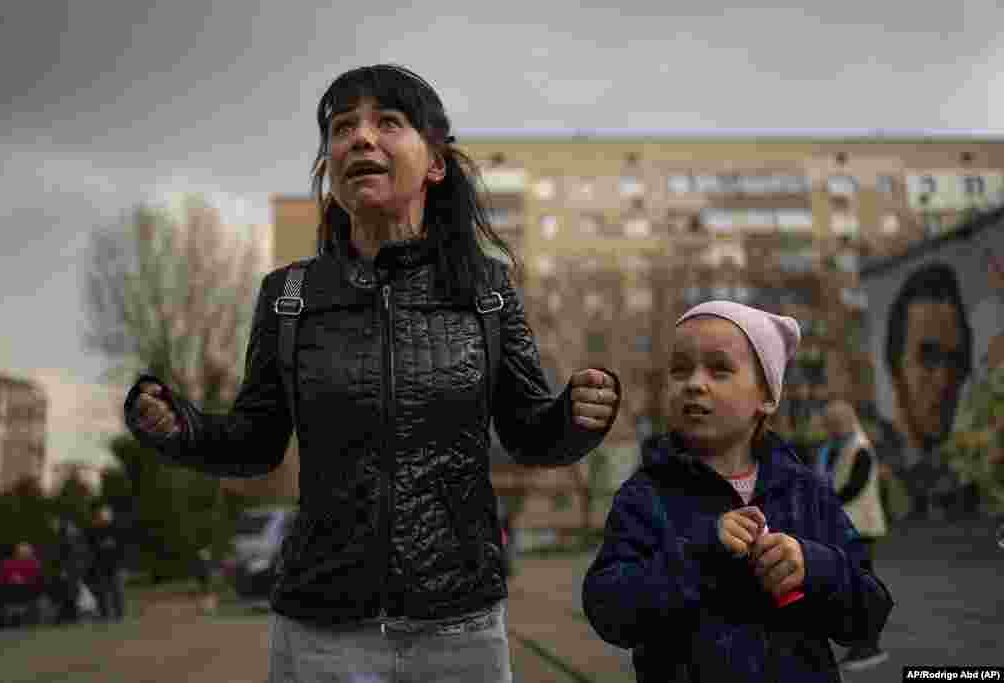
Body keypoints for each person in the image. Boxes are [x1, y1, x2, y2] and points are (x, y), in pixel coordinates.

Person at [124, 63, 622, 683]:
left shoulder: (488, 291)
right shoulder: (289, 298)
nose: (360, 138)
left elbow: (527, 434)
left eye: (388, 121)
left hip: (458, 631)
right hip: (321, 634)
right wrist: (184, 429)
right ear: (331, 169)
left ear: (436, 164)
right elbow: (256, 443)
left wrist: (572, 417)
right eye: (342, 127)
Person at [583, 301, 893, 682]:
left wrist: (813, 567)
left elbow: (869, 613)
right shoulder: (645, 495)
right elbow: (608, 611)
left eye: (719, 369)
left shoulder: (804, 490)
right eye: (680, 370)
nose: (695, 383)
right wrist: (703, 553)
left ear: (766, 396)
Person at [876, 262, 978, 519]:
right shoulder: (875, 461)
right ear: (895, 364)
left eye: (955, 359)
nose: (944, 381)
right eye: (928, 357)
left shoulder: (970, 469)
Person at [816, 399, 889, 671]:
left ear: (845, 421)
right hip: (843, 527)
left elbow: (854, 488)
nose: (830, 428)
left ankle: (870, 647)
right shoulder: (831, 449)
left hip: (861, 528)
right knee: (850, 589)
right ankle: (860, 646)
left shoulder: (860, 449)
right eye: (828, 423)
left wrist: (826, 501)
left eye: (834, 423)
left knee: (863, 588)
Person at [47, 516, 91, 625]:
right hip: (70, 571)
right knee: (69, 595)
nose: (53, 526)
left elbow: (69, 556)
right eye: (52, 524)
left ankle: (70, 617)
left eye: (55, 524)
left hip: (71, 571)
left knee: (71, 595)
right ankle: (68, 617)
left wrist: (65, 570)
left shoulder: (68, 538)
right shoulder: (63, 537)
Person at [86, 504, 127, 621]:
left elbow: (122, 549)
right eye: (101, 515)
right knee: (103, 593)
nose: (104, 517)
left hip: (115, 566)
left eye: (106, 515)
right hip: (101, 567)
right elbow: (91, 549)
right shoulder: (94, 531)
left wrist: (123, 565)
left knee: (117, 592)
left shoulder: (117, 529)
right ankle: (106, 615)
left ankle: (120, 615)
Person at [0, 542, 44, 626]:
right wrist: (12, 579)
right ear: (17, 553)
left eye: (27, 552)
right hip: (10, 591)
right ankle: (9, 618)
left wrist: (24, 580)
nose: (24, 554)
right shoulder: (8, 563)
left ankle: (18, 617)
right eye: (22, 552)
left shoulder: (35, 564)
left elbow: (38, 580)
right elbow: (0, 579)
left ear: (31, 553)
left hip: (28, 591)